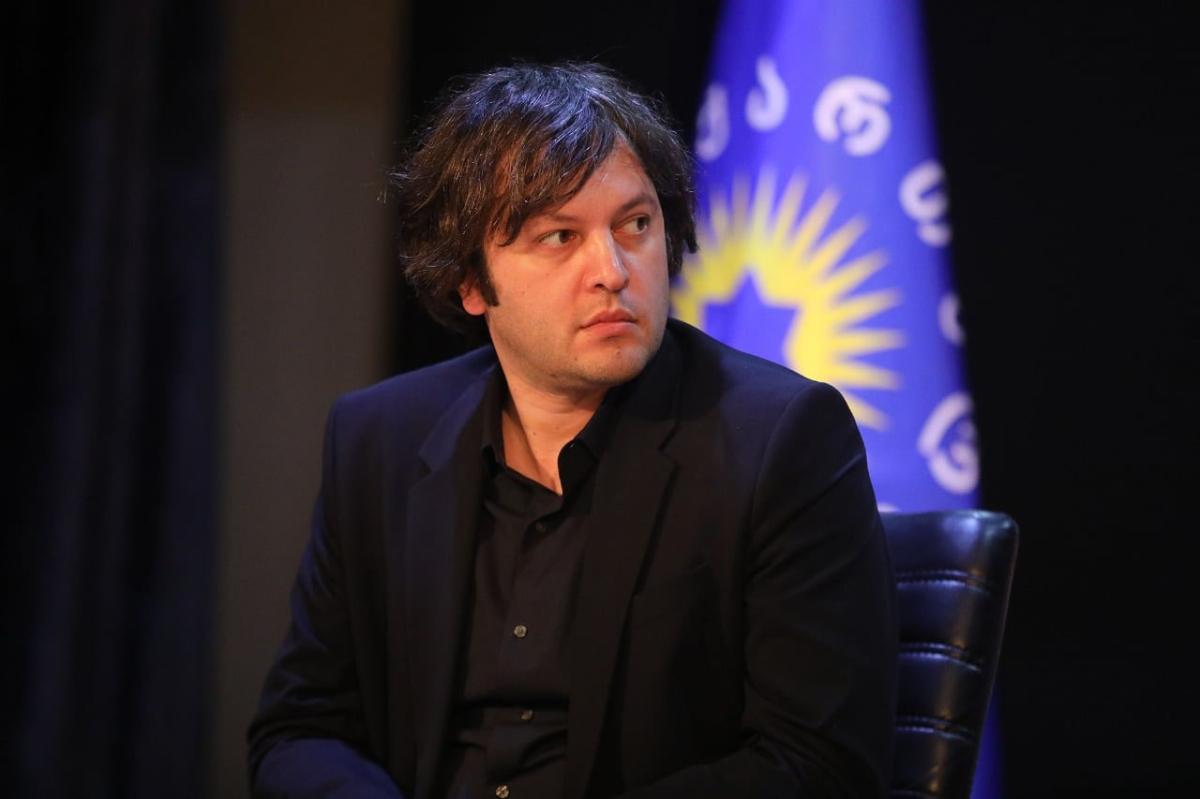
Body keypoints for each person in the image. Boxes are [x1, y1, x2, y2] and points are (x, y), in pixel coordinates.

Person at [248, 62, 897, 799]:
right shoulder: (379, 439)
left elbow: (820, 762)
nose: (612, 271)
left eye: (636, 225)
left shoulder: (780, 436)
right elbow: (300, 729)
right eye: (560, 236)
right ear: (470, 281)